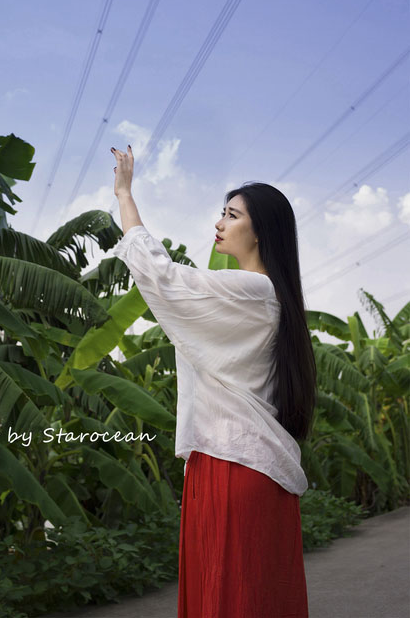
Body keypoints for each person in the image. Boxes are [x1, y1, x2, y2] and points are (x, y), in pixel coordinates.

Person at [110, 144, 316, 618]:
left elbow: (162, 279)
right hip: (232, 463)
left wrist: (124, 195)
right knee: (249, 597)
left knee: (229, 599)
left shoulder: (255, 289)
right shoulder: (268, 297)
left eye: (231, 214)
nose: (219, 223)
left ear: (260, 231)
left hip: (232, 465)